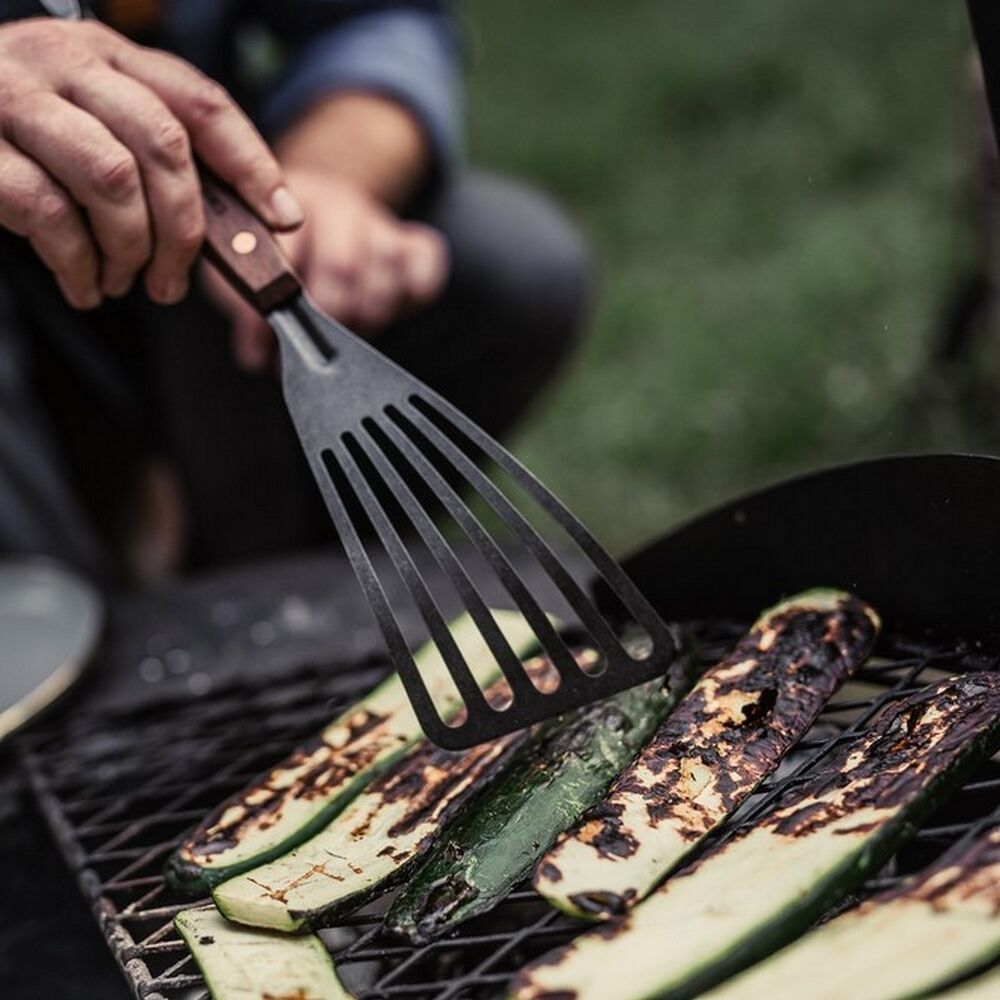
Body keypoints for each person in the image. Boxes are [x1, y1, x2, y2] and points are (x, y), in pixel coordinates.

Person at [0, 2, 591, 582]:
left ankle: (270, 595)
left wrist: (326, 177)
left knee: (510, 258)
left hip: (187, 220)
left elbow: (372, 17)